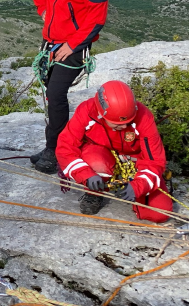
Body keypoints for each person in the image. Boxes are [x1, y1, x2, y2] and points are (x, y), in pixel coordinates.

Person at [27, 0, 108, 174]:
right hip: (50, 43)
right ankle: (54, 144)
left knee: (57, 95)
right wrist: (43, 10)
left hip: (73, 46)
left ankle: (57, 150)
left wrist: (72, 44)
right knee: (51, 94)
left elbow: (97, 17)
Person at [56, 80, 171, 222]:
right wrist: (86, 175)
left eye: (127, 123)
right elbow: (65, 148)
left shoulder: (144, 117)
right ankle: (94, 192)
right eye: (117, 124)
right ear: (101, 114)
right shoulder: (87, 112)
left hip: (135, 163)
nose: (123, 127)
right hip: (101, 156)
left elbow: (155, 161)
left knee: (159, 213)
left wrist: (138, 186)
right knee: (96, 161)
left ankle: (129, 191)